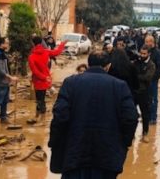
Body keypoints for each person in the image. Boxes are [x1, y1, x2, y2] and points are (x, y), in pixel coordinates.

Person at [49, 50, 138, 178]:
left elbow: (60, 117)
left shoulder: (70, 83)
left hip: (74, 153)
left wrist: (55, 143)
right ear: (108, 66)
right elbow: (131, 119)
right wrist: (123, 144)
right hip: (107, 156)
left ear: (88, 64)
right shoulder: (120, 86)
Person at [28, 36, 67, 125]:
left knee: (40, 99)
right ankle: (37, 116)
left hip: (39, 80)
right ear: (41, 43)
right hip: (46, 79)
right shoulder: (46, 52)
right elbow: (57, 52)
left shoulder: (31, 56)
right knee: (39, 98)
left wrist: (43, 77)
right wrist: (62, 44)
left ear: (33, 44)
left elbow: (34, 71)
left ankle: (42, 119)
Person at [0, 37, 18, 125]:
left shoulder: (2, 54)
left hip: (5, 81)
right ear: (1, 44)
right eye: (6, 43)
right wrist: (10, 77)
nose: (8, 44)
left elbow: (5, 68)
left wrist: (9, 79)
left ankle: (3, 117)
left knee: (5, 100)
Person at [132, 45, 156, 143]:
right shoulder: (136, 62)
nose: (142, 55)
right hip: (134, 91)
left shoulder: (151, 65)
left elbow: (147, 78)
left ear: (149, 54)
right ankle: (132, 134)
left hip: (145, 93)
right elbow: (130, 72)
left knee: (145, 115)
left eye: (144, 54)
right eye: (141, 53)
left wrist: (136, 76)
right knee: (132, 114)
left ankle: (145, 134)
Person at [144, 35, 160, 125]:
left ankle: (153, 118)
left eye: (148, 42)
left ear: (152, 42)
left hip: (153, 79)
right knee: (146, 98)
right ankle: (147, 116)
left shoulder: (157, 53)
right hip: (144, 79)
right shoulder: (145, 51)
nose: (147, 43)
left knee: (153, 99)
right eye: (146, 42)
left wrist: (154, 77)